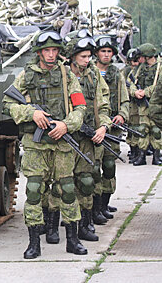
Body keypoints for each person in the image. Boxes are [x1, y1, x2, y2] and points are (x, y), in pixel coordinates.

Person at [3, 30, 87, 259]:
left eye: (54, 50)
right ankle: (33, 243)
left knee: (67, 189)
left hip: (61, 142)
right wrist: (31, 112)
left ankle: (72, 240)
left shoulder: (67, 75)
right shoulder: (26, 75)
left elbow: (80, 107)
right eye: (46, 51)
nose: (51, 55)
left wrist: (66, 125)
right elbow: (7, 104)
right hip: (35, 143)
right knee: (33, 191)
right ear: (39, 52)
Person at [66, 35, 112, 242]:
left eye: (89, 56)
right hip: (64, 136)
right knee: (63, 185)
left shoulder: (93, 75)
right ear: (73, 56)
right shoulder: (62, 74)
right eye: (83, 56)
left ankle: (84, 225)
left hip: (88, 137)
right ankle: (56, 227)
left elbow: (102, 104)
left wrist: (103, 126)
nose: (87, 60)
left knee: (86, 181)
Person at [93, 35, 129, 219]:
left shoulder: (117, 73)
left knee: (108, 166)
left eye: (109, 52)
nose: (106, 55)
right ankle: (93, 207)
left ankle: (103, 204)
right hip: (94, 128)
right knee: (91, 169)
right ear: (96, 53)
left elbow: (124, 98)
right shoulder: (90, 72)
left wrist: (122, 115)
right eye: (103, 51)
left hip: (112, 130)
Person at [128, 43, 162, 165]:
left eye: (141, 57)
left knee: (156, 130)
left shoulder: (160, 67)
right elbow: (129, 82)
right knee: (142, 130)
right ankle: (141, 156)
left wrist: (146, 92)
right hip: (141, 105)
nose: (139, 59)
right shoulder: (139, 69)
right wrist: (135, 92)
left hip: (156, 105)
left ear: (147, 56)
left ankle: (157, 156)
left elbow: (159, 85)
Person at [123, 48, 142, 163]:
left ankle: (141, 150)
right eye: (133, 62)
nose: (135, 64)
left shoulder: (140, 71)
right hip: (131, 103)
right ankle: (134, 150)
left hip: (141, 103)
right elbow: (125, 86)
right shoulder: (126, 72)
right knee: (132, 127)